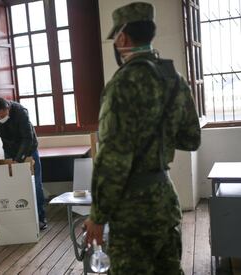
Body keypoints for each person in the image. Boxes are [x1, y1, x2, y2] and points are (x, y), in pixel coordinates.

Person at [84, 2, 201, 274]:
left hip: (132, 212)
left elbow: (112, 160)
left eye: (115, 38)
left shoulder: (121, 85)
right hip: (165, 202)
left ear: (123, 37)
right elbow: (192, 139)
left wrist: (97, 217)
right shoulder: (174, 79)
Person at [0, 98, 47, 230]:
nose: (0, 118)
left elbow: (27, 137)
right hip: (9, 150)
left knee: (35, 184)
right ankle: (20, 220)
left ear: (8, 109)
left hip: (28, 150)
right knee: (13, 185)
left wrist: (19, 160)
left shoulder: (20, 112)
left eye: (3, 115)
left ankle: (40, 218)